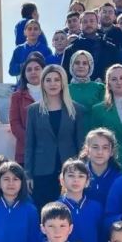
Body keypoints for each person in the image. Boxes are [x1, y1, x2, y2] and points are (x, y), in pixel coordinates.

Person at [24, 65, 87, 210]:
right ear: (42, 83)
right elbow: (29, 145)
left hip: (70, 171)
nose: (53, 84)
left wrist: (82, 170)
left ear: (63, 82)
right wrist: (28, 174)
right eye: (48, 80)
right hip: (42, 171)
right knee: (44, 212)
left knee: (68, 211)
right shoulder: (33, 110)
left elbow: (81, 143)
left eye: (57, 80)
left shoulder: (76, 109)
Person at [58, 158, 107, 242]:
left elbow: (103, 235)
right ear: (62, 180)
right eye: (71, 176)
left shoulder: (96, 207)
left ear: (87, 181)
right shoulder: (55, 208)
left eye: (81, 176)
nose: (76, 180)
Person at [8, 53, 46, 166]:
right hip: (26, 153)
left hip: (51, 152)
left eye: (37, 69)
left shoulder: (53, 94)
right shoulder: (17, 96)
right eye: (29, 70)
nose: (33, 72)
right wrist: (31, 141)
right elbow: (15, 124)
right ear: (24, 74)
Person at [61, 11, 119, 82]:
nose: (88, 24)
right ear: (80, 25)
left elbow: (116, 72)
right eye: (85, 22)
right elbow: (64, 77)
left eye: (92, 21)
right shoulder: (70, 50)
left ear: (97, 23)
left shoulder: (110, 48)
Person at [81, 128, 122, 209]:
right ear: (87, 150)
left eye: (105, 147)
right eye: (95, 147)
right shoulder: (78, 176)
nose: (100, 152)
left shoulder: (119, 179)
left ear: (111, 151)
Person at [67, 49, 105, 117]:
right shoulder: (64, 89)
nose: (81, 66)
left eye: (85, 63)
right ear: (72, 65)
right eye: (77, 63)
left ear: (90, 66)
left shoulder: (100, 88)